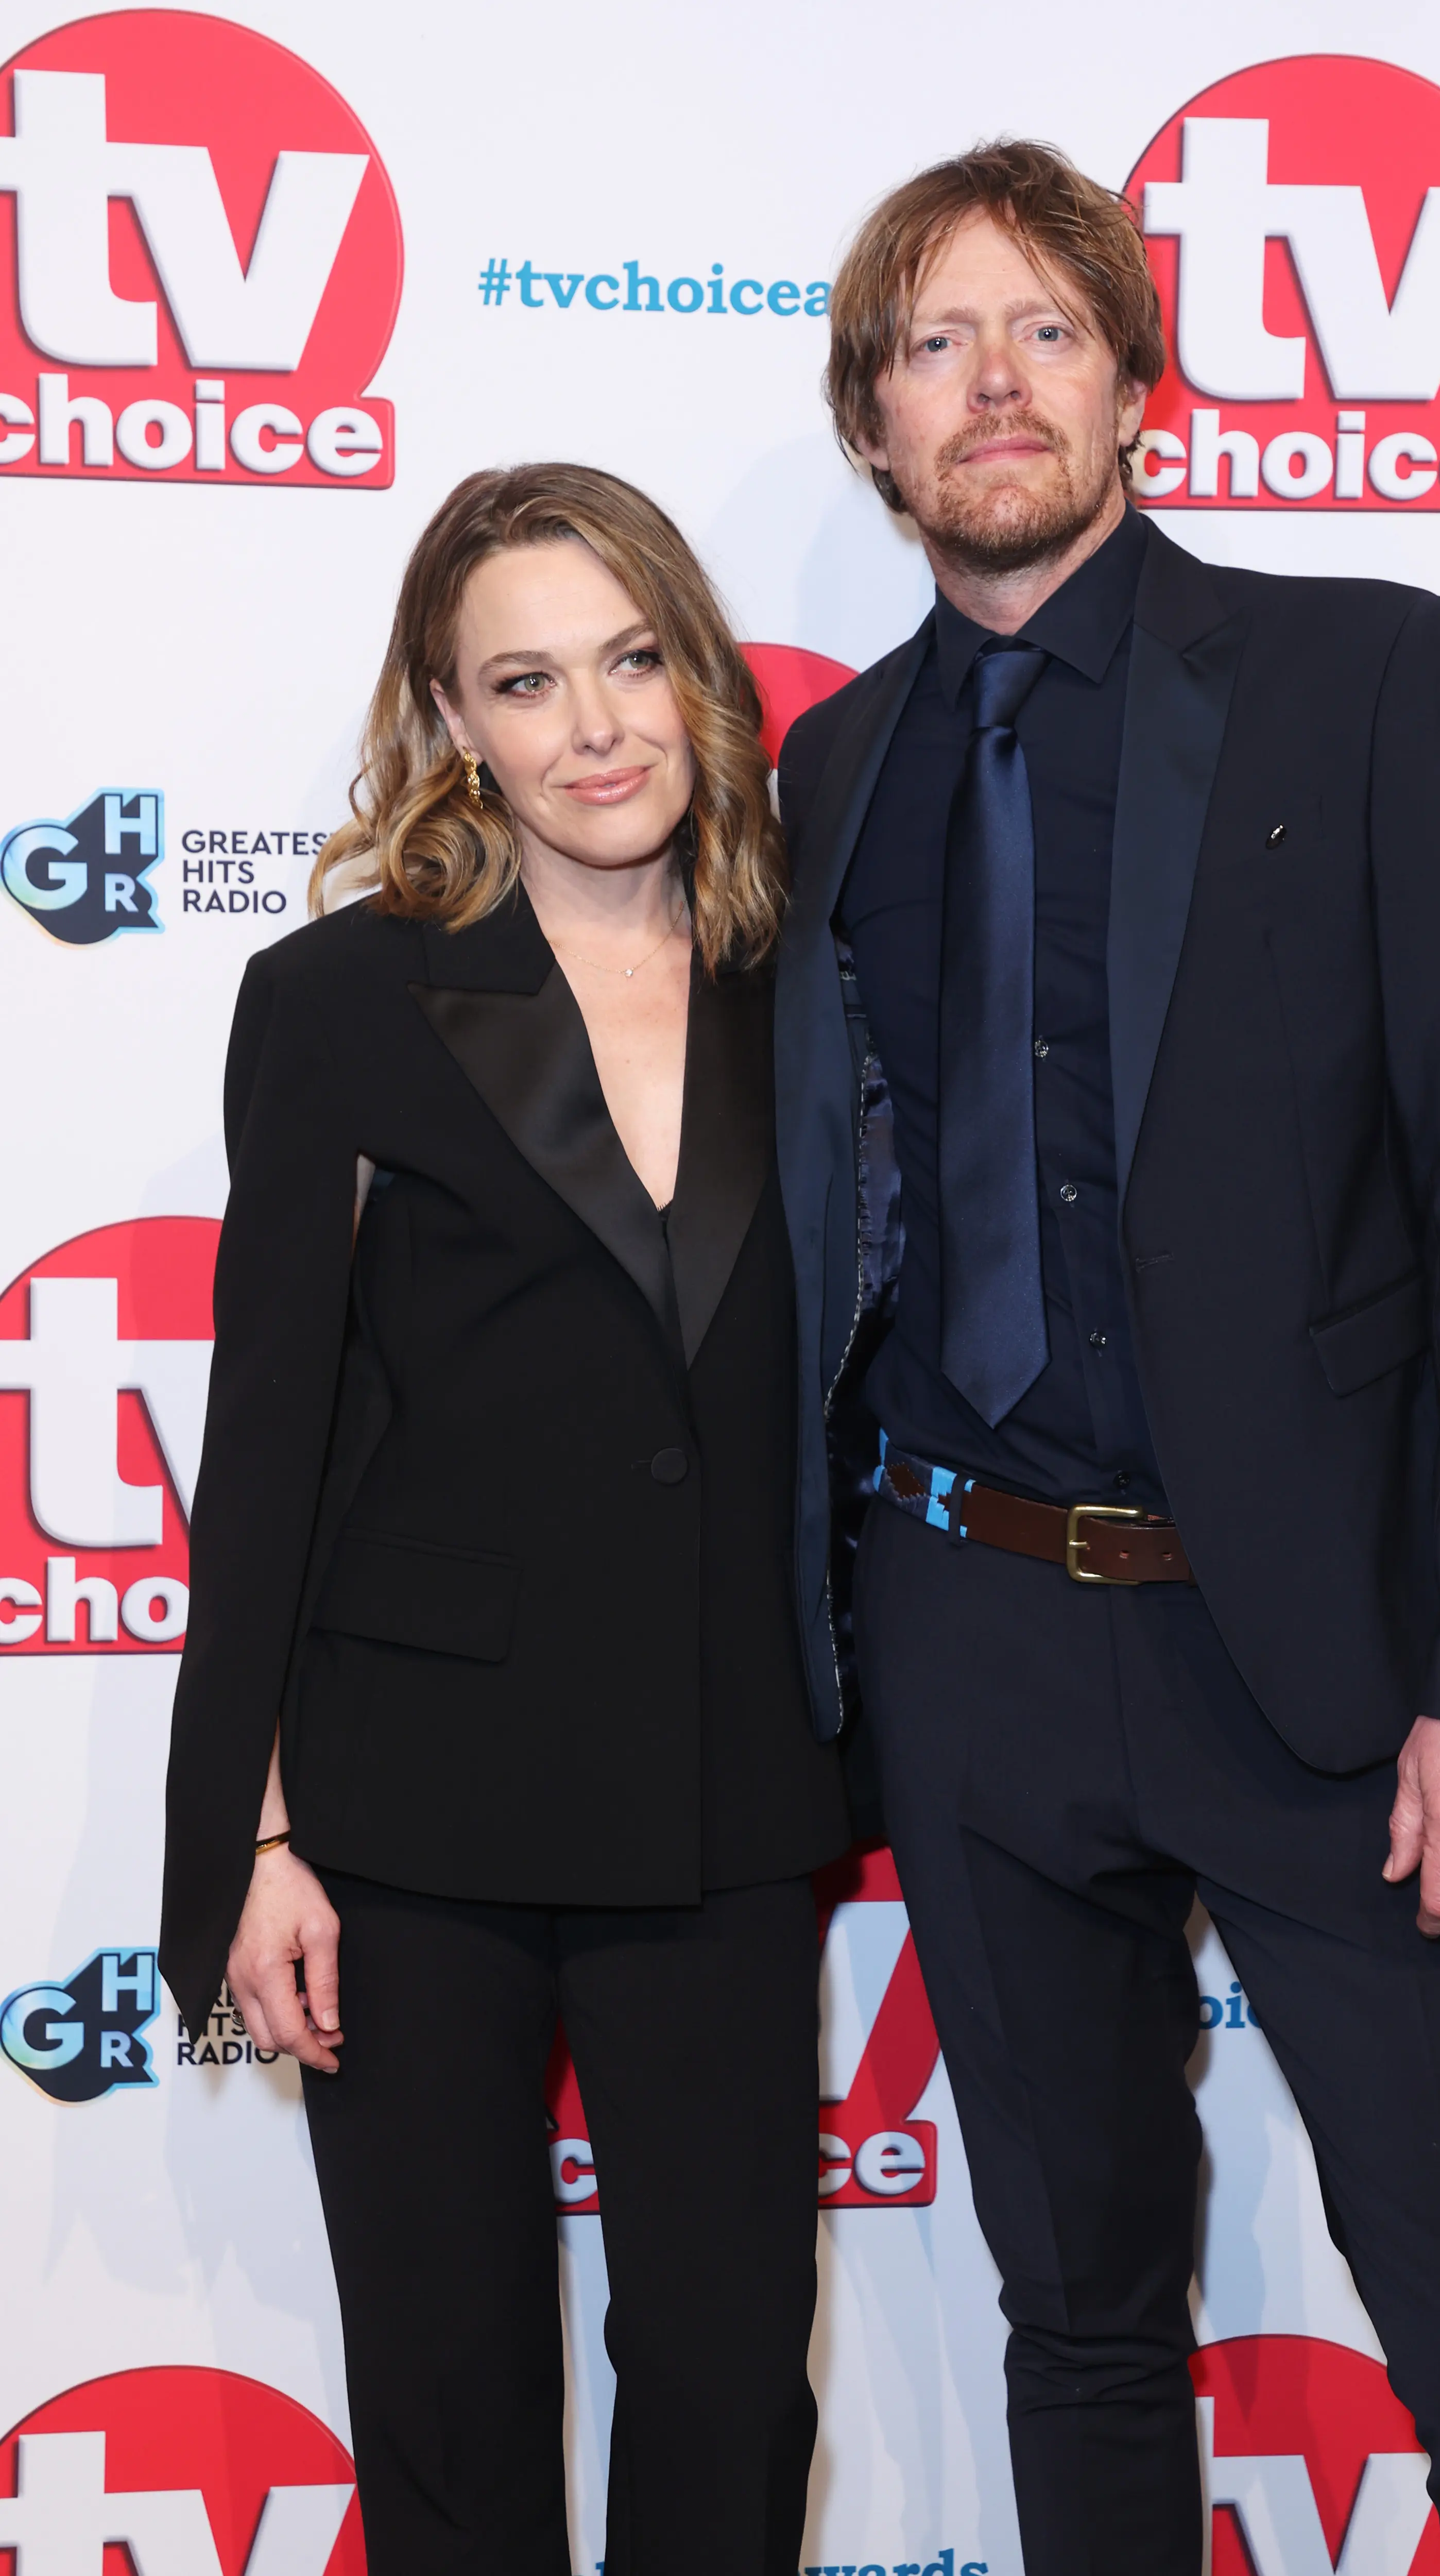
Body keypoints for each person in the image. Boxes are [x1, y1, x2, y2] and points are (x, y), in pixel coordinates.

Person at [772, 142, 1440, 2575]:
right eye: (933, 344)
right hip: (971, 1648)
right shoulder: (827, 777)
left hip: (1337, 1679)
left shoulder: (1364, 673)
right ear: (872, 422)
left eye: (1045, 329)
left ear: (1135, 384)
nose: (992, 385)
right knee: (1072, 2324)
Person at [159, 464, 849, 2576]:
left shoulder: (804, 979)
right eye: (527, 681)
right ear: (454, 719)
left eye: (632, 659)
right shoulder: (345, 996)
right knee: (451, 2392)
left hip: (728, 1794)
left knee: (731, 2377)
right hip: (411, 1817)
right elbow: (268, 1437)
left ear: (698, 673)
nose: (596, 726)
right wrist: (253, 1836)